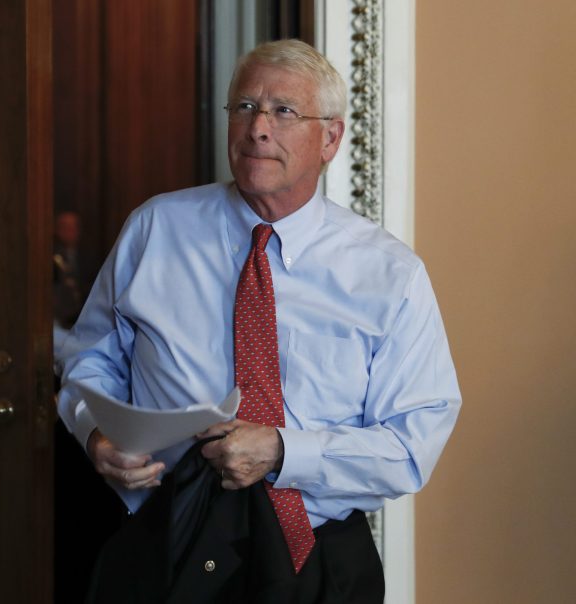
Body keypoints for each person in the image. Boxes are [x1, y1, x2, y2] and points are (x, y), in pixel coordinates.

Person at [58, 39, 460, 602]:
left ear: (331, 138)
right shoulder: (156, 229)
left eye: (283, 111)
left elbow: (413, 443)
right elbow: (89, 357)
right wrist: (96, 434)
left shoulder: (388, 273)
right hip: (167, 538)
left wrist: (282, 451)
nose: (258, 128)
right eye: (244, 107)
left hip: (315, 557)